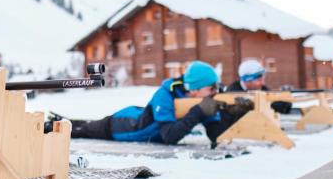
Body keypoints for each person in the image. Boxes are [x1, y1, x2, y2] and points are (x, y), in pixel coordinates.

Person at [46, 60, 253, 146]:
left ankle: (60, 120)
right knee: (83, 130)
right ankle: (50, 125)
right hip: (123, 124)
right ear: (195, 89)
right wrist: (199, 112)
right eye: (211, 89)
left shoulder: (201, 101)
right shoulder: (166, 94)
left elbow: (215, 134)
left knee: (86, 125)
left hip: (134, 120)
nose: (215, 93)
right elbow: (169, 136)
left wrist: (236, 112)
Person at [225, 59, 292, 114]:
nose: (263, 83)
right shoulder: (232, 92)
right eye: (259, 80)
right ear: (247, 81)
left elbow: (281, 108)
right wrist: (243, 108)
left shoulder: (262, 89)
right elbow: (230, 114)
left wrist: (286, 98)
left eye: (263, 79)